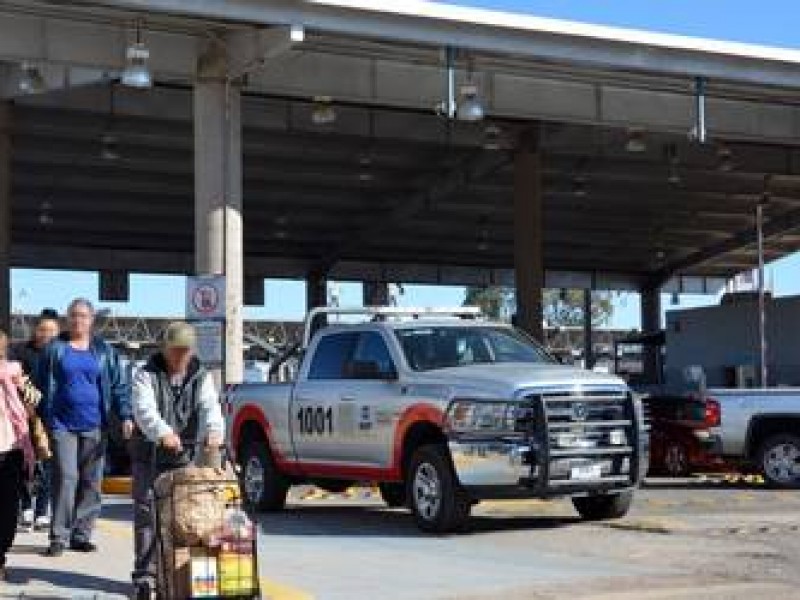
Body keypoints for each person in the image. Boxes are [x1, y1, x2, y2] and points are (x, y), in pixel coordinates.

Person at [130, 321, 224, 599]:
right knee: (148, 514)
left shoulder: (201, 376)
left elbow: (210, 406)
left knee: (185, 519)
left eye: (186, 351)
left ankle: (177, 574)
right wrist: (162, 433)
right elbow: (144, 409)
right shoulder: (145, 374)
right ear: (165, 350)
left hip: (184, 456)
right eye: (176, 351)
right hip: (150, 454)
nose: (181, 356)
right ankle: (145, 576)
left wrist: (215, 431)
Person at [36, 298, 133, 557]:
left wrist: (125, 415)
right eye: (73, 315)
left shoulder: (104, 351)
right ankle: (58, 536)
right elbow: (39, 385)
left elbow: (119, 386)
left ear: (91, 320)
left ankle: (81, 535)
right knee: (67, 478)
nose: (78, 320)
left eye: (83, 316)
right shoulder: (55, 349)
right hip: (61, 424)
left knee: (91, 482)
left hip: (95, 424)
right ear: (68, 319)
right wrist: (40, 419)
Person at [13, 308, 60, 532]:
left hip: (50, 415)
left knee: (47, 463)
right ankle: (25, 506)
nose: (47, 334)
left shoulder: (61, 353)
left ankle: (42, 511)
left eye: (52, 330)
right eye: (42, 329)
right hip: (22, 413)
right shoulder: (21, 351)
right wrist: (29, 402)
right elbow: (16, 380)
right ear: (35, 331)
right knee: (22, 461)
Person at [0, 330, 36, 581]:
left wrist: (25, 391)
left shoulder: (14, 371)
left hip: (11, 448)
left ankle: (0, 555)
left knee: (7, 511)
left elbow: (36, 399)